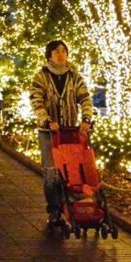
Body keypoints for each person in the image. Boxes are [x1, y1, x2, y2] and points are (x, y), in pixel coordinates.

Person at [29, 40, 95, 226]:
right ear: (49, 55)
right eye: (56, 51)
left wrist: (86, 119)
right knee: (51, 173)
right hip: (48, 132)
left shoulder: (75, 77)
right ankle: (53, 210)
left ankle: (68, 208)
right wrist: (47, 120)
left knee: (69, 172)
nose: (60, 54)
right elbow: (36, 100)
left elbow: (85, 98)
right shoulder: (41, 76)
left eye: (63, 51)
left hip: (70, 131)